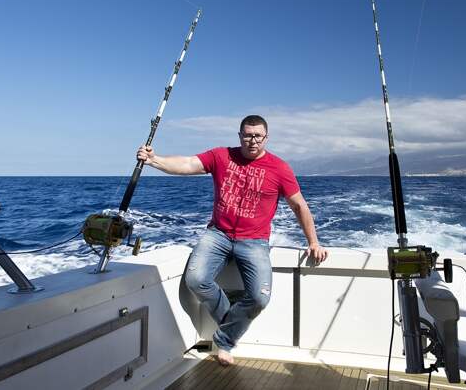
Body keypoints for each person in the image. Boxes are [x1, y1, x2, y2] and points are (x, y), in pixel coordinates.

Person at [136, 114, 328, 366]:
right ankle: (229, 329)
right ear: (240, 136)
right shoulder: (221, 156)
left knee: (260, 298)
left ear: (266, 138)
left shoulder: (279, 168)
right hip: (218, 234)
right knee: (196, 279)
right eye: (247, 135)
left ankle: (224, 337)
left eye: (258, 135)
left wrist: (313, 242)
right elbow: (187, 164)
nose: (252, 140)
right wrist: (153, 160)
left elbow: (299, 206)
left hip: (255, 241)